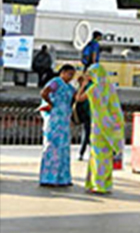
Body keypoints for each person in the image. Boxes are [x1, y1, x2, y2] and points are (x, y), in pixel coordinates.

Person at [75, 64, 125, 194]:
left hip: (98, 127)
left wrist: (83, 85)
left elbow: (78, 99)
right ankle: (106, 184)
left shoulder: (93, 89)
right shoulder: (111, 88)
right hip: (111, 127)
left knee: (97, 157)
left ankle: (97, 184)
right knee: (106, 157)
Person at [39, 64, 77, 187]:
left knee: (63, 148)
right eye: (69, 74)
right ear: (63, 72)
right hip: (55, 119)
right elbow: (44, 92)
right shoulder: (56, 82)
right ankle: (48, 178)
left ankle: (62, 178)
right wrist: (51, 103)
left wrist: (82, 84)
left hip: (64, 120)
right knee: (52, 147)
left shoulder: (70, 87)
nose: (71, 77)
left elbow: (78, 97)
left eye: (73, 75)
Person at [77, 31, 102, 161]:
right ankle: (92, 153)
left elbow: (78, 97)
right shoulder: (95, 86)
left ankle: (82, 153)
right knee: (91, 133)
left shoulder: (85, 84)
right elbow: (94, 56)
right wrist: (94, 64)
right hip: (92, 112)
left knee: (86, 132)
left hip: (86, 111)